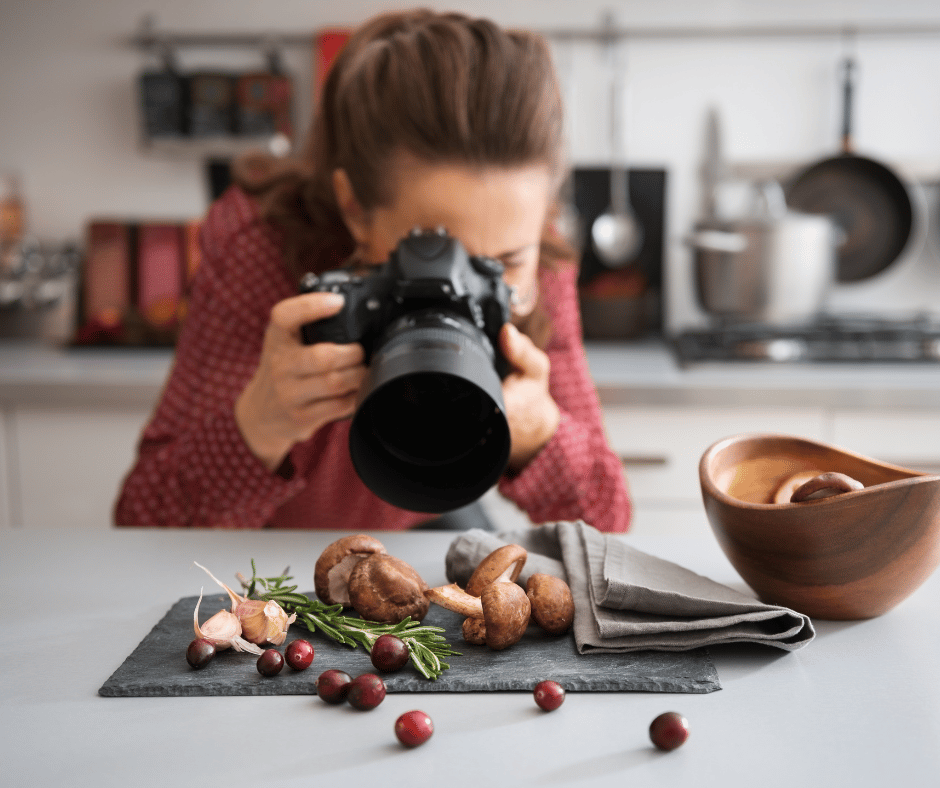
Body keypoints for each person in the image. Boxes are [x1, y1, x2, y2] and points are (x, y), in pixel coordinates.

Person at [114, 9, 632, 532]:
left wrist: (542, 437)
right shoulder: (261, 246)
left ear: (543, 216)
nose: (463, 284)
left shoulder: (539, 260)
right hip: (264, 541)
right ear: (355, 210)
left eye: (503, 263)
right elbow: (144, 521)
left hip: (422, 517)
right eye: (432, 252)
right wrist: (258, 425)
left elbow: (608, 522)